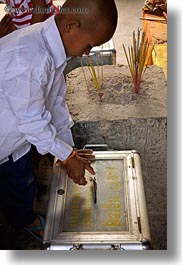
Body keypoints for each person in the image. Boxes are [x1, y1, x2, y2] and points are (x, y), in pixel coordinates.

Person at [0, 0, 118, 241]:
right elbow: (33, 121)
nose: (87, 53)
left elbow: (54, 104)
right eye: (89, 46)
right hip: (8, 136)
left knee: (22, 185)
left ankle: (22, 219)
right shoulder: (30, 58)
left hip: (16, 143)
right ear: (71, 27)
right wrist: (66, 155)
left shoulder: (51, 48)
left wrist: (68, 150)